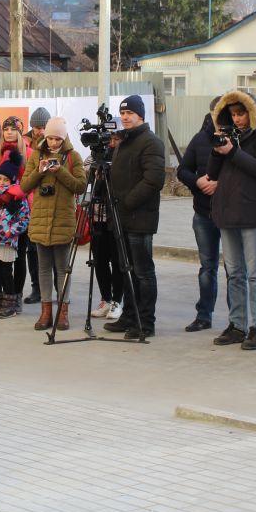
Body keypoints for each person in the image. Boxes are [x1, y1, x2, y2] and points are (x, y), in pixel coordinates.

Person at [206, 91, 256, 352]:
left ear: (252, 112)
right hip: (227, 213)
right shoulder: (228, 136)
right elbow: (212, 174)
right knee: (234, 273)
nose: (237, 119)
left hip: (252, 213)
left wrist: (233, 151)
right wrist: (217, 150)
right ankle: (237, 324)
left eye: (241, 113)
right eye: (233, 114)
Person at [102, 96, 165, 340]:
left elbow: (154, 179)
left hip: (140, 217)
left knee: (143, 272)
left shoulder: (151, 142)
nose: (125, 117)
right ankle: (129, 316)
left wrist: (128, 202)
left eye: (130, 113)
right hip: (121, 218)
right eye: (123, 113)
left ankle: (145, 322)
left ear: (141, 115)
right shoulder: (123, 142)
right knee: (126, 270)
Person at [20, 117, 87, 331]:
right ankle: (46, 312)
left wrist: (60, 171)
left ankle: (62, 312)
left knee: (62, 269)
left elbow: (80, 186)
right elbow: (24, 186)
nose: (53, 142)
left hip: (62, 219)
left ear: (64, 138)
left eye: (58, 139)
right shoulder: (37, 155)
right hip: (40, 219)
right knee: (43, 269)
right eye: (50, 138)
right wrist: (39, 171)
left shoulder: (73, 156)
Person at [177, 97, 223, 331]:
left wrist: (220, 184)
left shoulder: (238, 139)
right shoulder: (200, 139)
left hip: (231, 214)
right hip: (204, 213)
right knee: (207, 267)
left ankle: (238, 321)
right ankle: (204, 315)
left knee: (236, 269)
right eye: (217, 111)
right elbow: (182, 170)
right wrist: (197, 181)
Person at [0, 115, 33, 315]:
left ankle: (15, 296)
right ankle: (0, 299)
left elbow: (30, 180)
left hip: (18, 210)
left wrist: (12, 194)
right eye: (6, 129)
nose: (9, 132)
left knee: (18, 257)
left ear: (20, 132)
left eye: (14, 129)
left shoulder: (29, 153)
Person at [90, 123, 126, 320]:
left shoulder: (124, 157)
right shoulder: (97, 156)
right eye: (109, 139)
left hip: (116, 215)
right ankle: (106, 298)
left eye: (116, 139)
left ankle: (117, 301)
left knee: (118, 260)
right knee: (99, 259)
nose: (112, 144)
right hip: (97, 215)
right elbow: (85, 179)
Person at [21, 107, 50, 304]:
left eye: (42, 127)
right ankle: (36, 289)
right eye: (36, 127)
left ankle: (58, 289)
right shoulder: (23, 144)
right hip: (29, 203)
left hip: (49, 202)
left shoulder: (56, 142)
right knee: (32, 250)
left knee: (54, 250)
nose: (39, 131)